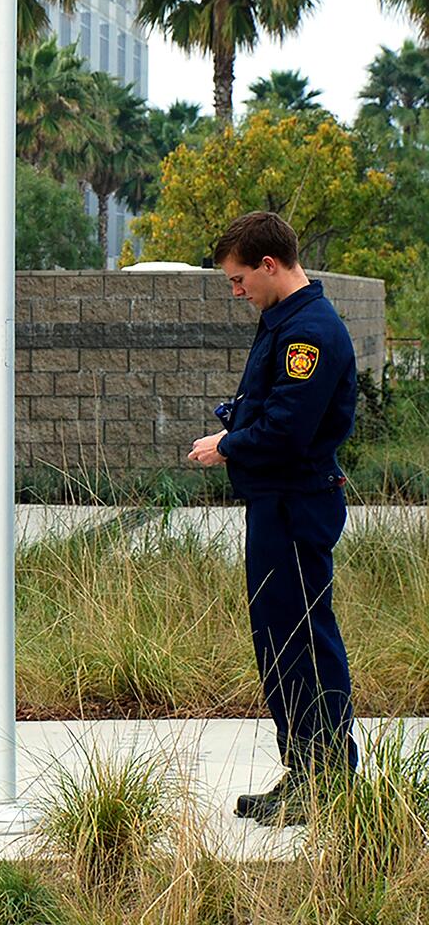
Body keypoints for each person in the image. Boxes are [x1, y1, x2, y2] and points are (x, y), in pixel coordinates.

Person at [187, 211, 358, 825]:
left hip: (293, 501)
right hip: (277, 501)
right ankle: (307, 771)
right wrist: (236, 423)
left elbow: (288, 430)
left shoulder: (310, 332)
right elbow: (269, 405)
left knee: (301, 639)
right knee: (280, 639)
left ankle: (326, 776)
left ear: (269, 264)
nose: (236, 292)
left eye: (238, 280)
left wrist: (227, 446)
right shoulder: (281, 320)